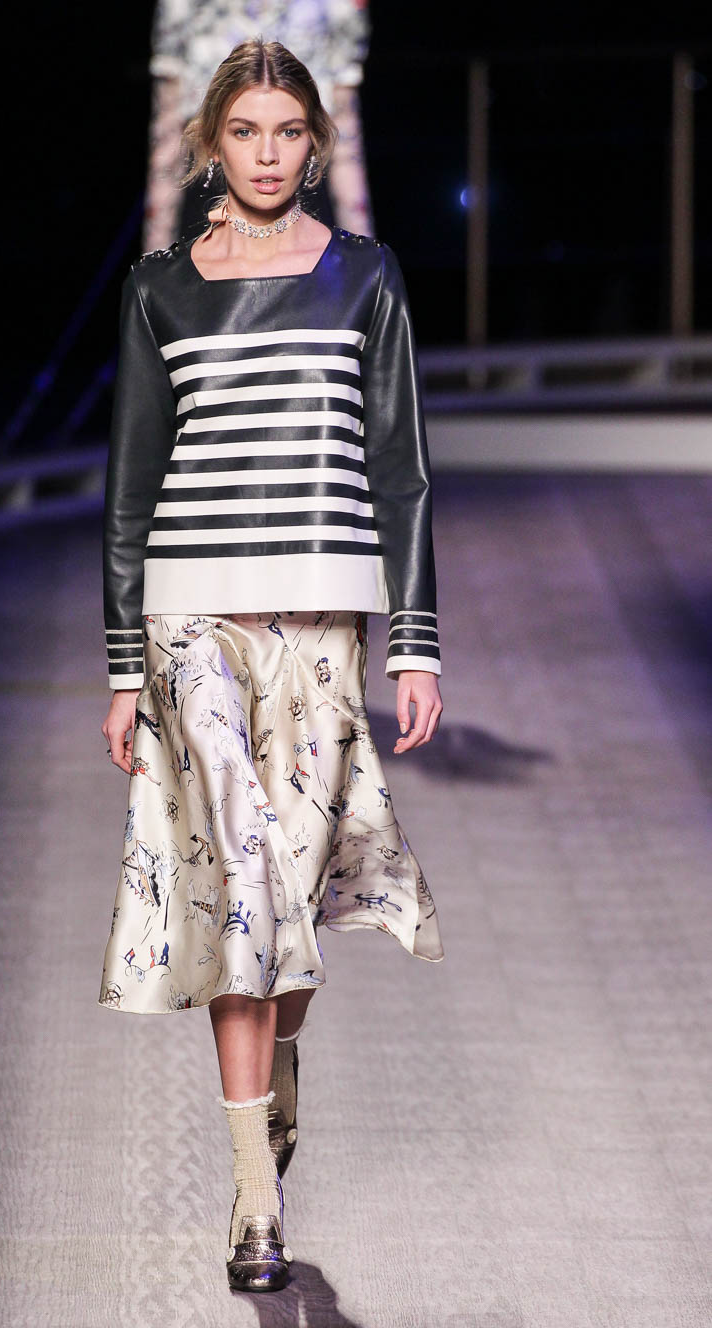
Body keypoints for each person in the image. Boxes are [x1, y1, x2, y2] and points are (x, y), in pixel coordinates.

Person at [98, 37, 445, 1294]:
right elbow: (131, 487)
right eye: (243, 131)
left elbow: (401, 468)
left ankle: (276, 1071)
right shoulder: (159, 289)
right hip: (194, 623)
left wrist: (415, 640)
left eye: (287, 131)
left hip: (320, 627)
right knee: (241, 886)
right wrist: (124, 664)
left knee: (288, 892)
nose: (265, 153)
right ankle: (257, 1195)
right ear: (211, 143)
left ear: (315, 142)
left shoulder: (366, 275)